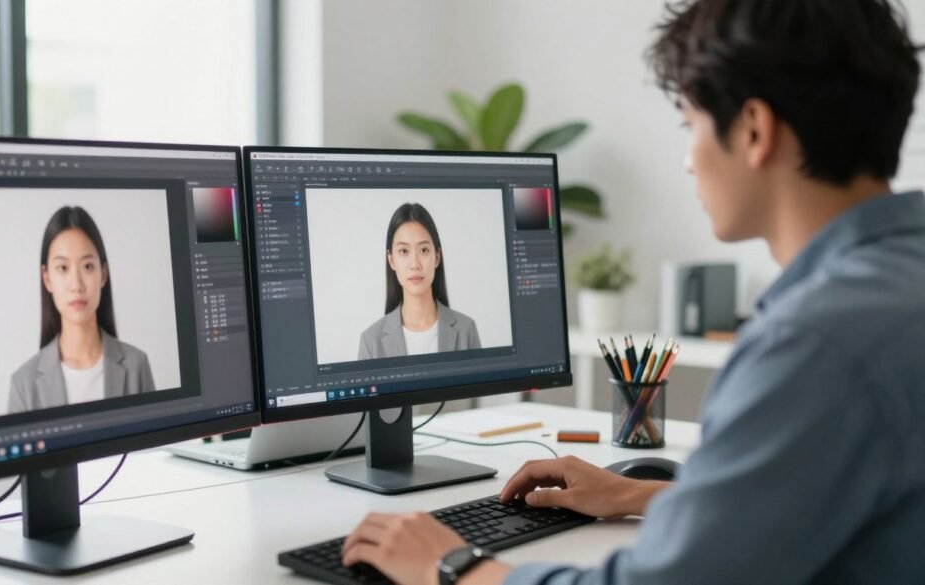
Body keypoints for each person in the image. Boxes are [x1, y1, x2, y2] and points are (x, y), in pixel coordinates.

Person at [341, 1, 925, 583]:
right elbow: (807, 500)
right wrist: (638, 494)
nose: (689, 160)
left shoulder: (813, 345)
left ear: (753, 130)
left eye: (688, 124)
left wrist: (452, 566)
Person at [9, 206, 155, 413]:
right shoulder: (23, 383)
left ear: (103, 273)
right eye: (63, 268)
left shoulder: (136, 365)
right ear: (47, 278)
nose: (76, 285)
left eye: (87, 266)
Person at [358, 202, 482, 360]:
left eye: (424, 250)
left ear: (437, 257)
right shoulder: (371, 342)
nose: (415, 264)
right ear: (391, 260)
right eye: (404, 251)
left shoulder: (466, 330)